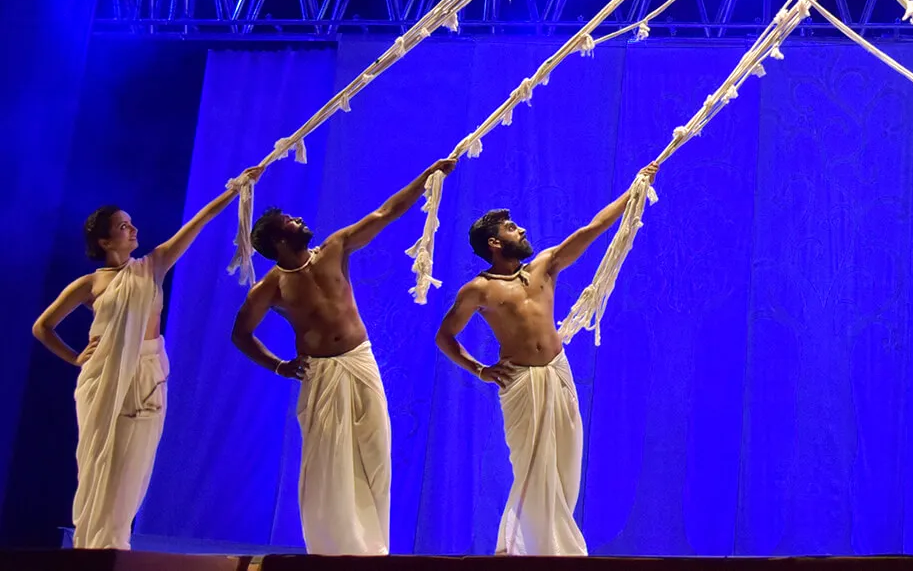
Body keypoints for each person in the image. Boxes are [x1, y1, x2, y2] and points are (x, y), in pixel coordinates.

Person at [230, 157, 457, 556]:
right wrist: (279, 365)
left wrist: (427, 177)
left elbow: (386, 212)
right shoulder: (271, 287)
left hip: (358, 360)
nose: (299, 220)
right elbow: (241, 335)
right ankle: (332, 550)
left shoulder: (334, 248)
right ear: (277, 241)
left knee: (376, 450)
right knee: (328, 465)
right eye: (289, 221)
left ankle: (372, 551)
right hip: (321, 374)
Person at [434, 163, 658, 556]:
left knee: (566, 462)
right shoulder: (479, 290)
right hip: (520, 383)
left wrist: (634, 190)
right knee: (532, 468)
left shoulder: (544, 266)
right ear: (494, 244)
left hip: (557, 372)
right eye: (510, 228)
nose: (520, 230)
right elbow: (445, 336)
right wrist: (481, 370)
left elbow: (592, 229)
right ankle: (524, 550)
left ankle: (543, 546)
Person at [32, 176, 260, 549]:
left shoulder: (152, 266)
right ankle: (91, 547)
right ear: (105, 242)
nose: (133, 228)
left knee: (133, 460)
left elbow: (197, 223)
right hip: (103, 376)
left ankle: (114, 542)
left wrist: (235, 190)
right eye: (123, 226)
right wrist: (75, 358)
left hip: (146, 373)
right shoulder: (90, 284)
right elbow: (42, 327)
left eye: (131, 222)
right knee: (98, 459)